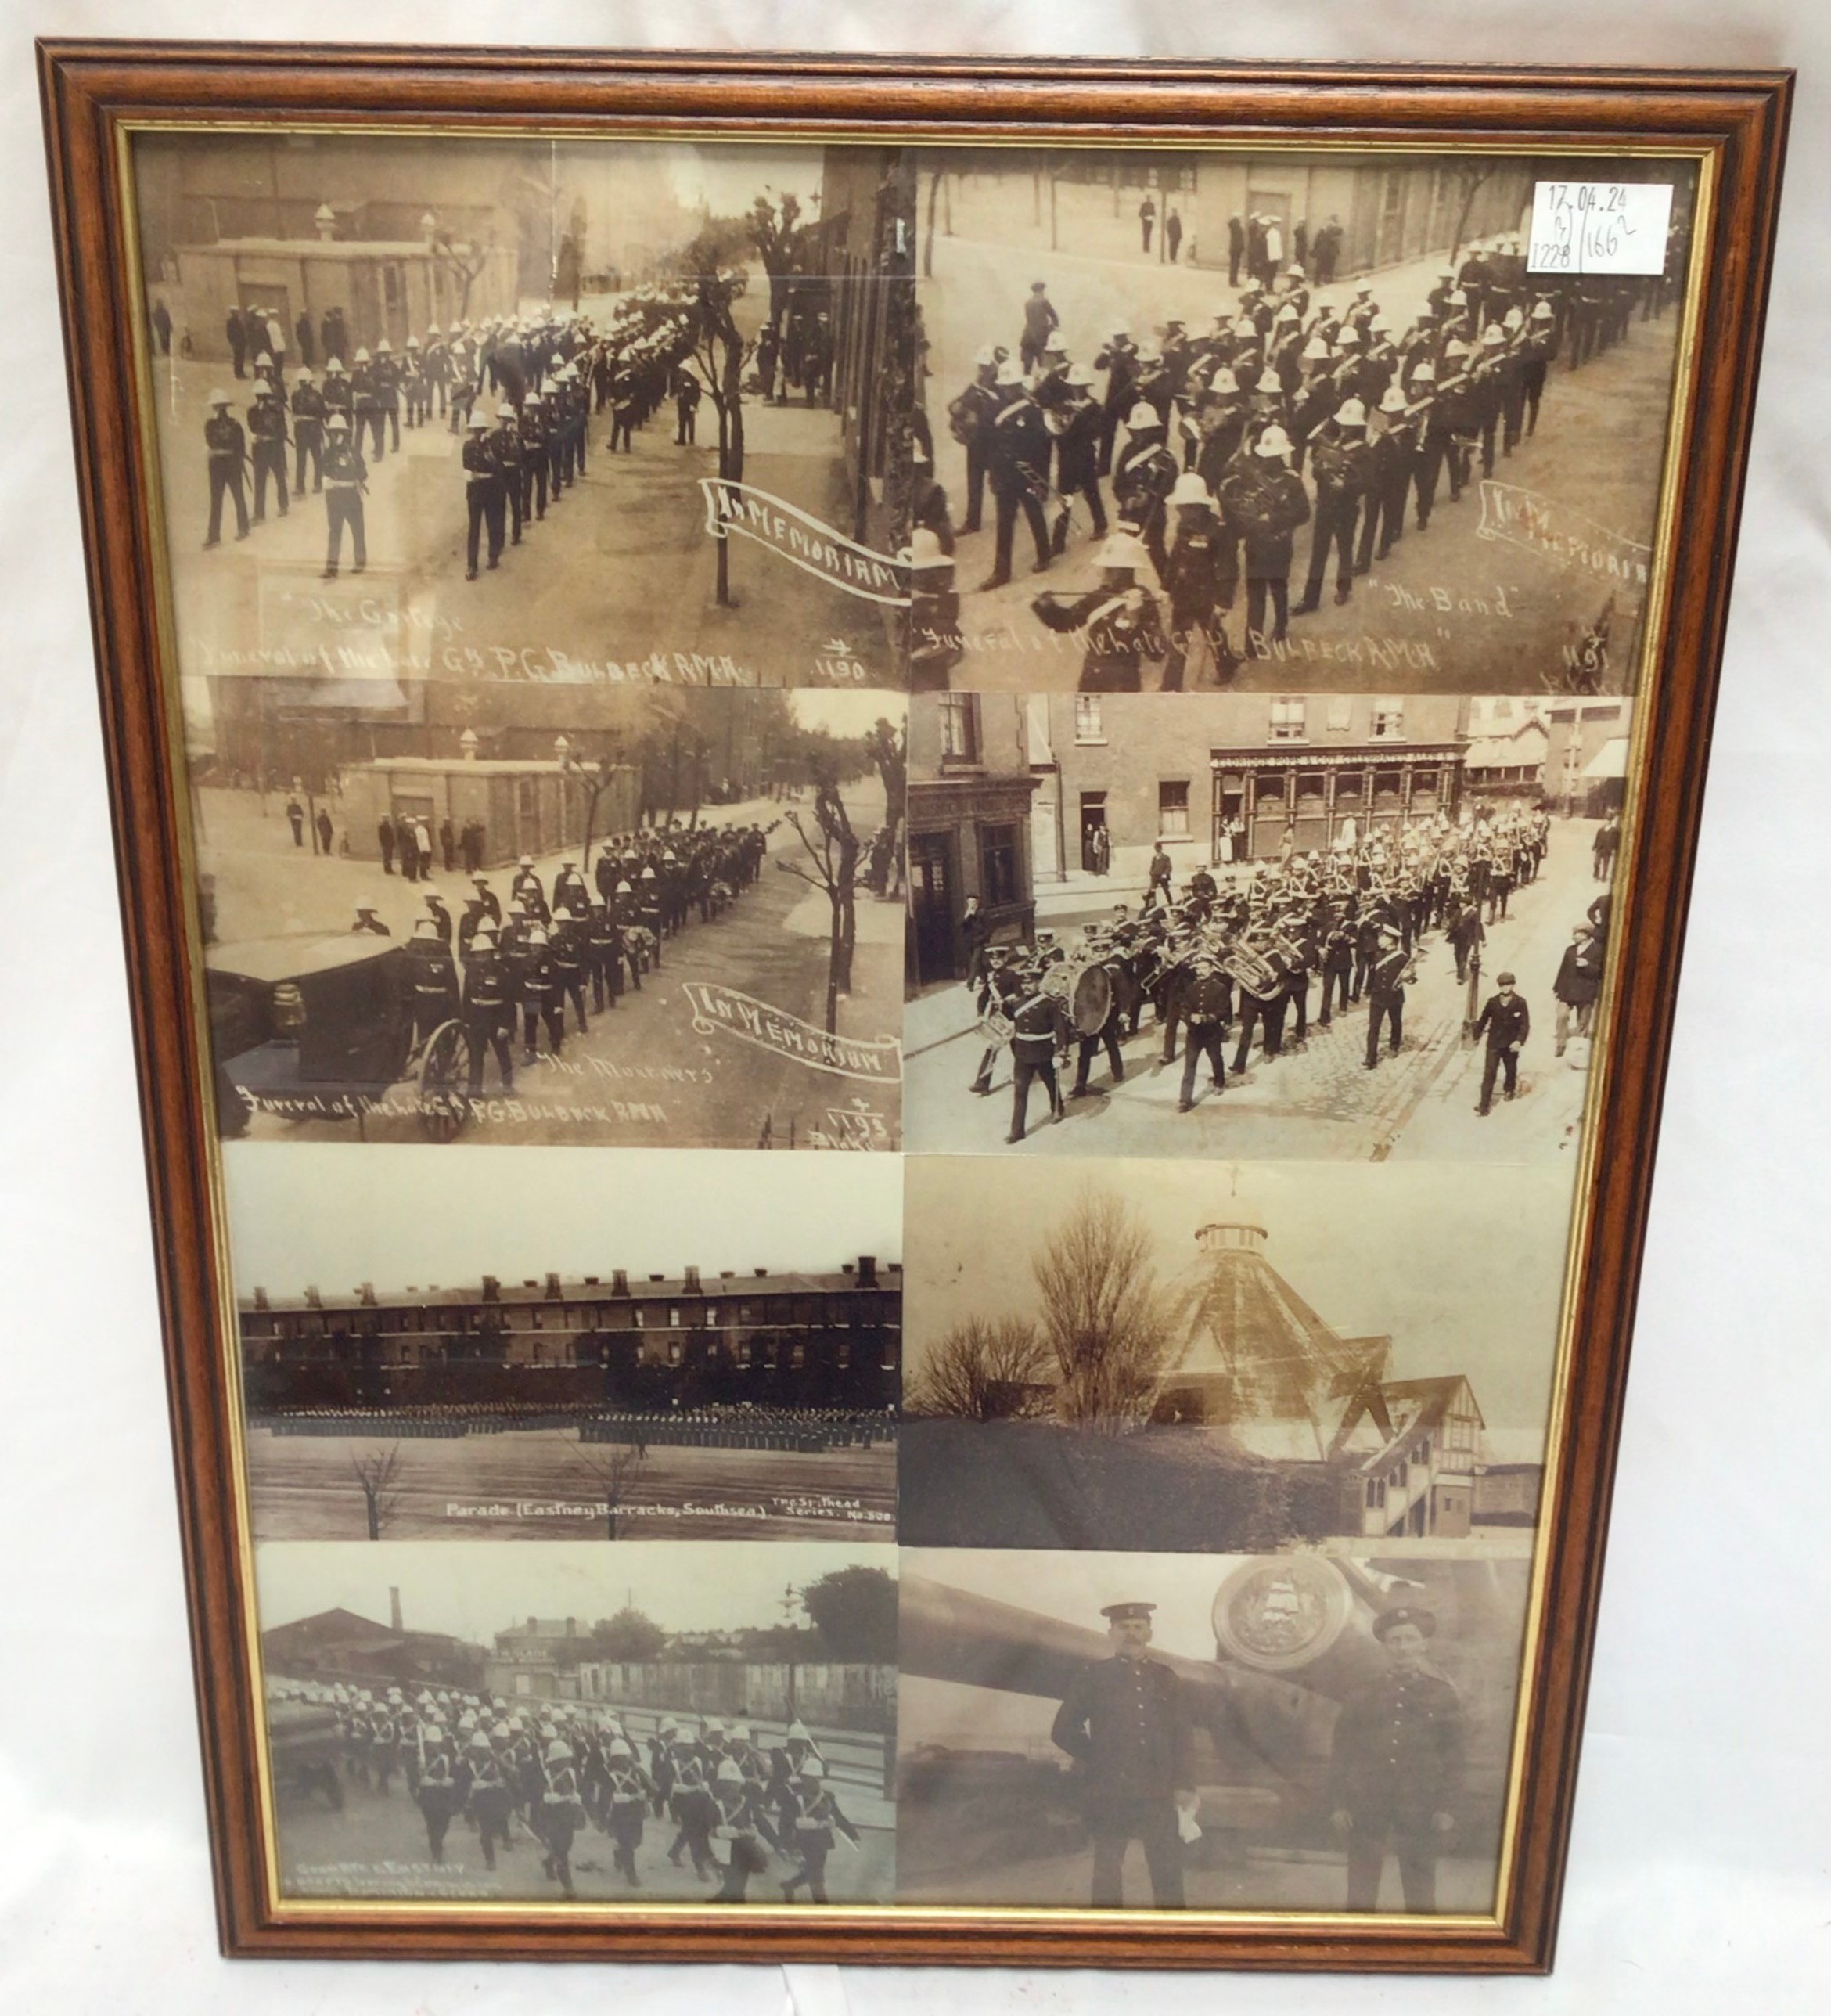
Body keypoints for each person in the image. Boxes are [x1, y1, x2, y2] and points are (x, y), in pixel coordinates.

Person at [1049, 1600, 1195, 1909]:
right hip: (1111, 1791)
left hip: (1158, 1791)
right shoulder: (1093, 1676)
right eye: (1124, 1628)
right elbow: (1063, 1729)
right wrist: (1101, 1760)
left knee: (1167, 1870)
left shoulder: (1167, 1677)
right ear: (1111, 1634)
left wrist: (1184, 1784)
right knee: (1107, 1872)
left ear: (1150, 1633)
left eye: (1138, 1627)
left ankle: (1173, 1941)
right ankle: (1104, 1942)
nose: (1132, 1634)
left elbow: (1182, 1736)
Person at [1328, 1605, 1465, 1913]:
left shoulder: (1442, 1695)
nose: (1402, 1647)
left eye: (1409, 1639)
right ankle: (1355, 1944)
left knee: (1420, 1884)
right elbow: (1342, 1753)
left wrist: (1447, 1806)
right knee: (1361, 1883)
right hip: (1366, 1800)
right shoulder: (1361, 1694)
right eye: (1395, 1640)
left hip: (1420, 1801)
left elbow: (1454, 1756)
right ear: (1385, 1647)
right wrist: (1339, 1803)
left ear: (1423, 1644)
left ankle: (1422, 1947)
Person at [1031, 533, 1167, 693]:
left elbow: (1157, 653)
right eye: (1105, 569)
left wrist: (1136, 622)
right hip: (1092, 677)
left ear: (1128, 571)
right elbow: (1066, 622)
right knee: (1087, 718)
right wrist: (1046, 605)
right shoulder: (1097, 597)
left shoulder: (1143, 600)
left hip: (1124, 679)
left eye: (1111, 569)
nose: (1105, 574)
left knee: (1120, 718)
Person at [1219, 423, 1309, 653]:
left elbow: (1304, 513)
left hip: (1279, 544)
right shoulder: (1252, 477)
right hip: (1256, 543)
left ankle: (1281, 625)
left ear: (1280, 455)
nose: (1265, 461)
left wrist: (1275, 518)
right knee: (1256, 594)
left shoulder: (1291, 480)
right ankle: (1253, 642)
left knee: (1278, 588)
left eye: (1270, 457)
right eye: (1263, 457)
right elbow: (1239, 500)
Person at [1158, 473, 1235, 689]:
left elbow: (1228, 568)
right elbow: (1175, 559)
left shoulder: (1218, 530)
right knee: (1179, 641)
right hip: (1183, 593)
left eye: (1184, 506)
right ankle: (1171, 685)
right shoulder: (1184, 526)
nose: (1179, 511)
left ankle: (1227, 666)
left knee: (1214, 636)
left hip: (1206, 596)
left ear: (1197, 506)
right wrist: (1166, 586)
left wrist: (1223, 601)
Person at [779, 1756, 861, 1903]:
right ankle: (823, 1906)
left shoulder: (827, 1797)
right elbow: (784, 1824)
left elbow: (838, 1817)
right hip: (803, 1842)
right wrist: (786, 1845)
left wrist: (853, 1835)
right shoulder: (793, 1799)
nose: (813, 1782)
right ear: (803, 1778)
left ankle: (790, 1885)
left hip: (822, 1842)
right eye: (809, 1779)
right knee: (816, 1877)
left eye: (816, 1779)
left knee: (814, 1872)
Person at [1005, 971, 1071, 1143]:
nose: (1026, 986)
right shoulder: (1017, 1003)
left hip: (1043, 1052)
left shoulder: (1049, 1004)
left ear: (1039, 983)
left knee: (1051, 1084)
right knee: (1020, 1092)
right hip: (1022, 1054)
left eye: (1030, 982)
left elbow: (1060, 1030)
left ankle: (1058, 1108)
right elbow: (1010, 1024)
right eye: (1023, 983)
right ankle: (1017, 1131)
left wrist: (1060, 1052)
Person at [1176, 955, 1231, 1112]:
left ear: (1212, 969)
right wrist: (1189, 1018)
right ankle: (1185, 1100)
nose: (1200, 972)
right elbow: (1184, 1008)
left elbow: (1223, 1010)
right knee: (1190, 1066)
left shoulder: (1220, 988)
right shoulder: (1191, 988)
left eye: (1204, 968)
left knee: (1215, 1058)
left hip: (1212, 1033)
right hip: (1194, 1034)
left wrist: (1207, 1018)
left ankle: (1219, 1082)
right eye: (1198, 969)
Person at [1472, 970, 1530, 1114]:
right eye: (1503, 985)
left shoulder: (1520, 1002)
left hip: (1511, 1044)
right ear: (1499, 986)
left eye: (1508, 985)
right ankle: (1484, 1105)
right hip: (1494, 1043)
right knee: (1489, 1072)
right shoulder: (1492, 1002)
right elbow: (1484, 1019)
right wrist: (1476, 1035)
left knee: (1510, 1068)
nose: (1506, 988)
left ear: (1513, 985)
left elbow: (1525, 1024)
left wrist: (1519, 1041)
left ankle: (1509, 1089)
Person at [318, 412, 367, 579]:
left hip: (350, 495)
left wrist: (355, 478)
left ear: (343, 434)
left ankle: (360, 562)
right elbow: (323, 470)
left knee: (357, 530)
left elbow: (363, 471)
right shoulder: (329, 453)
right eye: (332, 432)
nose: (334, 436)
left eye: (337, 432)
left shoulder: (353, 452)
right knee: (335, 531)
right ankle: (332, 568)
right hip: (334, 497)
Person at [201, 391, 250, 548]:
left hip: (223, 464)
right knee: (226, 498)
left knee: (230, 497)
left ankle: (231, 531)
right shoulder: (229, 424)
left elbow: (214, 442)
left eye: (220, 407)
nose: (219, 410)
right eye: (219, 407)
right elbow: (236, 445)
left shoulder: (216, 424)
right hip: (225, 464)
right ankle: (222, 533)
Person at [462, 412, 502, 579]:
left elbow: (497, 467)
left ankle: (493, 556)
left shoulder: (492, 445)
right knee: (474, 529)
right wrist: (471, 476)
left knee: (492, 524)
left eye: (481, 429)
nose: (478, 433)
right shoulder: (468, 446)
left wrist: (489, 452)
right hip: (475, 490)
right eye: (476, 430)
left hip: (490, 488)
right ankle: (472, 565)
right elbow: (466, 466)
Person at [1552, 924, 1603, 1054]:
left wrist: (1588, 966)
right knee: (1562, 1015)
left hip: (1586, 991)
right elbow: (1563, 970)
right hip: (1567, 990)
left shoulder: (1598, 950)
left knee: (1583, 1020)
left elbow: (1602, 972)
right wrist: (1556, 988)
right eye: (1574, 933)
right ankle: (1561, 1045)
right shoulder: (1570, 950)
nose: (1573, 936)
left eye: (1577, 934)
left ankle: (1579, 1050)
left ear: (1586, 935)